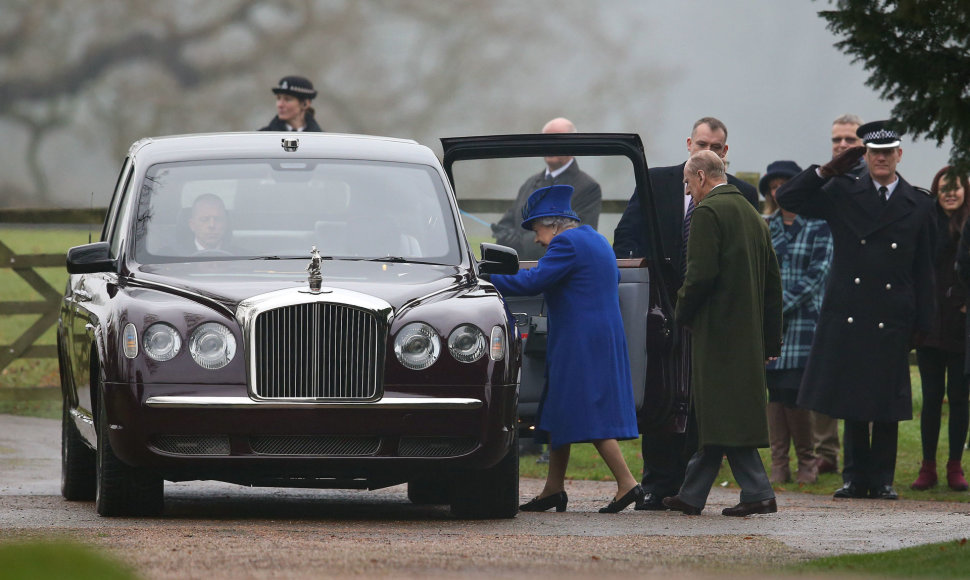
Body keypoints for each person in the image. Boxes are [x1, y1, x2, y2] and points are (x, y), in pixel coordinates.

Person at [776, 120, 937, 500]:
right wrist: (826, 170)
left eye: (887, 152)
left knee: (886, 400)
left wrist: (925, 321)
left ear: (899, 155)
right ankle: (853, 477)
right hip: (850, 308)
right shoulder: (843, 191)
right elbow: (789, 199)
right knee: (851, 399)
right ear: (865, 155)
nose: (881, 159)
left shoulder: (918, 203)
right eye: (874, 152)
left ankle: (881, 479)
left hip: (893, 311)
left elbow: (924, 269)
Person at [612, 116, 759, 511]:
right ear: (688, 144)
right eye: (700, 143)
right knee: (660, 396)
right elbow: (626, 237)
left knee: (701, 400)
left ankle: (690, 489)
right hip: (661, 307)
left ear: (725, 152)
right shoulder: (655, 181)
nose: (706, 151)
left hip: (710, 314)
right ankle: (658, 483)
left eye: (715, 146)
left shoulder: (741, 194)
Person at [489, 184, 644, 513]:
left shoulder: (566, 243)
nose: (536, 238)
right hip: (600, 337)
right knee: (559, 409)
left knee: (590, 410)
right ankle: (553, 489)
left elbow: (531, 283)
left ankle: (627, 483)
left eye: (536, 229)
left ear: (553, 223)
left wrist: (485, 278)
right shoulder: (596, 239)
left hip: (580, 341)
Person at [661, 151, 783, 516]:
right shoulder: (753, 215)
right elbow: (773, 283)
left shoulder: (708, 213)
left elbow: (699, 276)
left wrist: (678, 314)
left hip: (717, 335)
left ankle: (759, 493)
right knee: (720, 414)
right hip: (748, 337)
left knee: (723, 415)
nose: (687, 190)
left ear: (700, 176)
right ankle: (693, 494)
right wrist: (771, 338)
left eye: (687, 182)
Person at [760, 160, 833, 485]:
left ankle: (807, 461)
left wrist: (780, 306)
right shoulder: (764, 226)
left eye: (784, 184)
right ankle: (779, 463)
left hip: (804, 324)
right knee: (774, 391)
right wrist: (769, 311)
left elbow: (818, 275)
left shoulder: (819, 225)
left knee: (795, 390)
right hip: (771, 328)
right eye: (774, 186)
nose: (779, 191)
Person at [812, 114, 867, 476]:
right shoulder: (827, 183)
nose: (842, 146)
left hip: (863, 292)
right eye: (837, 140)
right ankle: (824, 450)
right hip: (825, 289)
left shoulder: (874, 180)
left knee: (865, 375)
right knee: (825, 372)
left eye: (849, 140)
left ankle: (864, 457)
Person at [912, 167, 970, 491]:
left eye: (956, 188)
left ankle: (954, 467)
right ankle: (928, 466)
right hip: (931, 324)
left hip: (962, 326)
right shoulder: (927, 223)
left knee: (960, 398)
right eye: (944, 187)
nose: (950, 193)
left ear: (965, 191)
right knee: (932, 397)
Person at [491, 117, 602, 261]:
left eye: (556, 141)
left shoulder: (588, 188)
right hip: (519, 269)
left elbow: (577, 237)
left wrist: (518, 243)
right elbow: (508, 221)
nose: (550, 146)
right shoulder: (530, 183)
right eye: (545, 141)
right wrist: (503, 236)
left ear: (573, 145)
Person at [177, 194, 241, 255]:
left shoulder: (240, 256)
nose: (212, 225)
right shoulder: (176, 256)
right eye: (204, 219)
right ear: (192, 225)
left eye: (218, 219)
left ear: (226, 223)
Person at [259, 75, 323, 132]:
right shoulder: (261, 137)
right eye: (278, 98)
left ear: (305, 104)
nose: (280, 105)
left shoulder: (322, 141)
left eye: (287, 99)